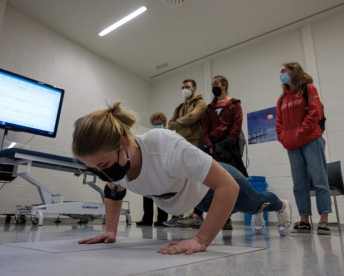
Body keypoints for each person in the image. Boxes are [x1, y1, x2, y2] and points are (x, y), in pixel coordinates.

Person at [74, 101, 294, 255]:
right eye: (94, 169)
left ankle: (281, 205)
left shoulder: (163, 146)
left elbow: (227, 186)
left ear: (123, 143)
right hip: (198, 199)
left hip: (218, 185)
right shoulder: (115, 164)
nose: (102, 174)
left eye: (103, 166)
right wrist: (110, 231)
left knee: (255, 204)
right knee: (249, 207)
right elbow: (114, 191)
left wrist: (201, 239)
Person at [276, 62, 332, 235]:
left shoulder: (309, 89)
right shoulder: (282, 98)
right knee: (299, 184)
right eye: (280, 71)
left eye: (284, 70)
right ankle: (304, 221)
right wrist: (283, 137)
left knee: (319, 180)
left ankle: (323, 221)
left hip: (311, 140)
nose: (281, 73)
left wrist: (302, 131)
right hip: (292, 145)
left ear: (294, 71)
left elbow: (315, 113)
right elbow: (278, 123)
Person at [202, 75, 249, 230]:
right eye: (212, 85)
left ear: (224, 85)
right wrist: (209, 145)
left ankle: (228, 216)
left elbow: (237, 126)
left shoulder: (235, 104)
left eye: (216, 84)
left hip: (230, 148)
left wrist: (228, 142)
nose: (213, 87)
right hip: (213, 148)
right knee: (214, 184)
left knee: (231, 181)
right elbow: (205, 129)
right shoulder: (210, 108)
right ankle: (220, 218)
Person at [168, 79, 206, 228]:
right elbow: (170, 124)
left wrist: (179, 123)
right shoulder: (180, 106)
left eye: (188, 87)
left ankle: (197, 216)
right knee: (180, 180)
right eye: (183, 87)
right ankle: (177, 215)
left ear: (194, 88)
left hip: (196, 142)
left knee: (198, 180)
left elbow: (193, 117)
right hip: (180, 142)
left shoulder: (200, 103)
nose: (185, 89)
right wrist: (181, 122)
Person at [136, 112, 170, 227]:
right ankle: (147, 219)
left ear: (164, 124)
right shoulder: (148, 135)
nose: (157, 126)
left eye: (159, 124)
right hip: (149, 166)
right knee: (147, 194)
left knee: (162, 195)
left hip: (162, 168)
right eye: (155, 124)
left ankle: (162, 220)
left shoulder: (168, 136)